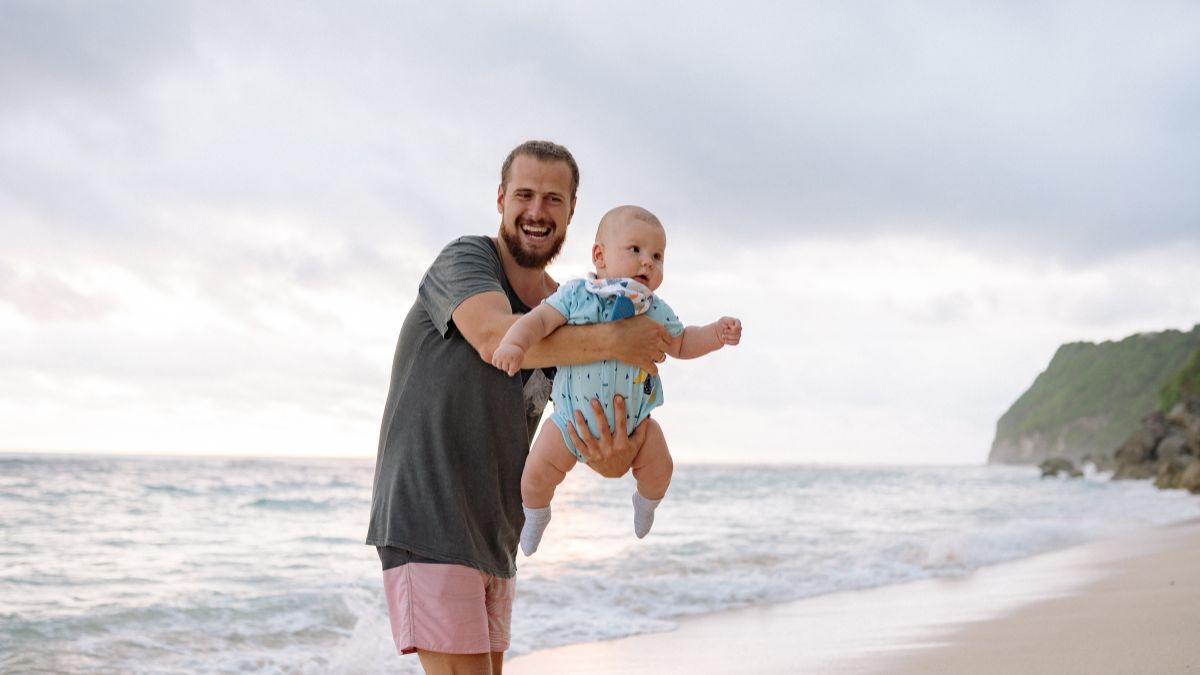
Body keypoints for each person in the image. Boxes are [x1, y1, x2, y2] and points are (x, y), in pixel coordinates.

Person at [365, 140, 672, 675]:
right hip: (428, 514)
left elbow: (595, 434)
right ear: (502, 199)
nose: (537, 211)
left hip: (497, 530)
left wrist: (618, 453)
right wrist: (619, 339)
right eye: (525, 195)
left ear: (572, 211)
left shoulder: (573, 308)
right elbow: (493, 336)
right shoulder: (466, 259)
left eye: (553, 199)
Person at [491, 205, 742, 554]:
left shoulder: (654, 308)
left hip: (636, 425)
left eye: (657, 256)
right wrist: (515, 344)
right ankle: (536, 515)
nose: (648, 263)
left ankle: (646, 502)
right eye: (636, 250)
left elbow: (682, 342)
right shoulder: (577, 295)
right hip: (568, 422)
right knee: (534, 475)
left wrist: (716, 333)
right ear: (600, 256)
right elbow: (539, 322)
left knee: (661, 466)